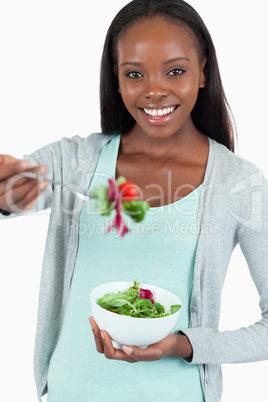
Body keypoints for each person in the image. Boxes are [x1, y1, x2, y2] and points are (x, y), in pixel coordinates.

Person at [0, 0, 267, 401]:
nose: (154, 90)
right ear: (117, 79)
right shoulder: (76, 161)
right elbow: (17, 186)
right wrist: (6, 196)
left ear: (203, 72)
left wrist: (183, 344)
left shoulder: (238, 183)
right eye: (135, 74)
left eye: (175, 71)